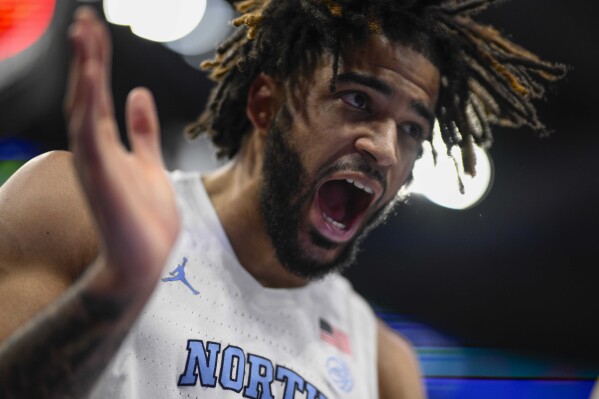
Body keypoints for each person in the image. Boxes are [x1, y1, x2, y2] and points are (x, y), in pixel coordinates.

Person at [0, 0, 566, 398]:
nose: (388, 150)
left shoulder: (384, 367)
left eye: (413, 129)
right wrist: (114, 292)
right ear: (266, 104)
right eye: (357, 100)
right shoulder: (74, 210)